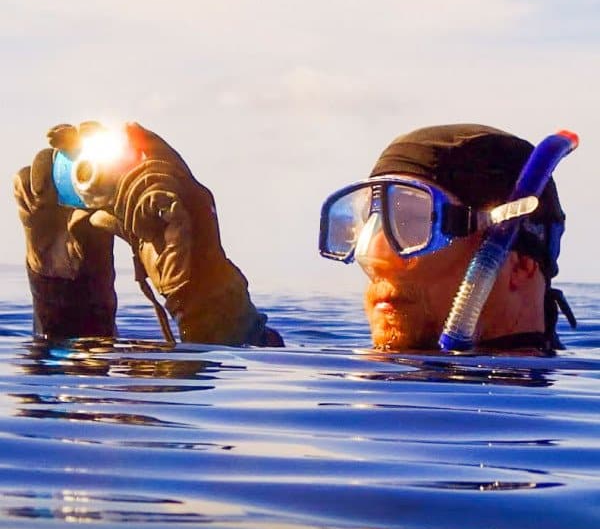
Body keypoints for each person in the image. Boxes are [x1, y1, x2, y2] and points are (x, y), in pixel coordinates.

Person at [13, 122, 575, 353]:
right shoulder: (349, 385)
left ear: (519, 262)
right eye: (361, 218)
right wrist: (72, 319)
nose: (374, 254)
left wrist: (209, 307)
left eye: (410, 220)